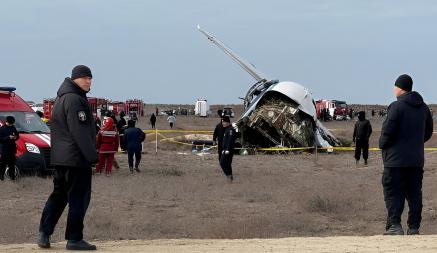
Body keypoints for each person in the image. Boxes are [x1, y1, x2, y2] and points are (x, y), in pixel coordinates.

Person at [38, 65, 98, 250]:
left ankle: (44, 233)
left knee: (58, 196)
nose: (89, 81)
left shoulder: (61, 98)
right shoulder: (75, 100)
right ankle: (74, 239)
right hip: (76, 159)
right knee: (78, 198)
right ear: (75, 79)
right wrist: (92, 157)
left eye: (90, 78)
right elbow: (79, 131)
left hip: (61, 158)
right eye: (85, 78)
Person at [379, 74, 433, 236]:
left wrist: (383, 144)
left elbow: (388, 131)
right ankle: (414, 227)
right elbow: (428, 131)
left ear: (400, 88)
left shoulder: (396, 107)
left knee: (393, 192)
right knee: (415, 194)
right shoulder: (423, 108)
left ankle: (395, 225)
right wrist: (415, 143)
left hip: (395, 161)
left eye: (395, 86)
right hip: (416, 160)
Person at [0, 116, 19, 181]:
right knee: (3, 164)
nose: (12, 124)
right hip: (5, 150)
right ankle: (1, 177)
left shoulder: (13, 127)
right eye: (11, 123)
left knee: (12, 164)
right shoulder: (2, 129)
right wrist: (8, 137)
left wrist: (15, 137)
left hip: (12, 149)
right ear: (7, 122)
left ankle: (12, 178)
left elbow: (17, 136)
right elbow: (0, 139)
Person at [219, 116, 236, 182]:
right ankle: (230, 176)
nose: (223, 123)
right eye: (222, 122)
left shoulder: (231, 130)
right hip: (225, 150)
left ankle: (228, 175)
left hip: (228, 150)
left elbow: (230, 141)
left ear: (228, 122)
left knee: (222, 162)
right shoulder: (227, 129)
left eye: (224, 122)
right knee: (228, 164)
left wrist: (227, 149)